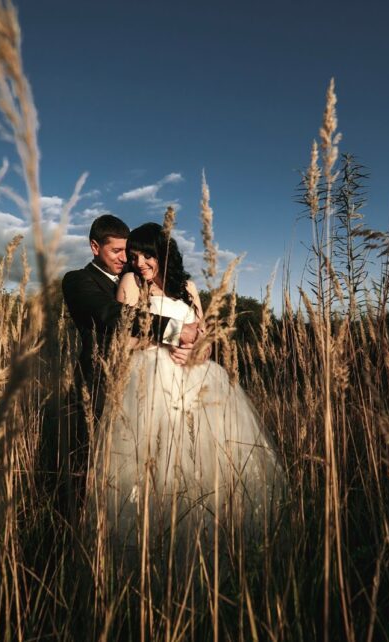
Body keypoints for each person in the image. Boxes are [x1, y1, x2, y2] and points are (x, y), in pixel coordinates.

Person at [89, 222, 284, 549]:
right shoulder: (131, 283)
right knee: (154, 457)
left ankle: (207, 531)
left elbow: (205, 335)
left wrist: (198, 348)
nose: (139, 263)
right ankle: (155, 536)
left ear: (162, 254)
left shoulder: (188, 287)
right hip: (149, 381)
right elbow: (122, 339)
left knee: (202, 456)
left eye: (146, 255)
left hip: (197, 378)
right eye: (133, 256)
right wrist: (168, 343)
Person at [60, 215, 196, 513]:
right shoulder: (77, 281)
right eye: (116, 252)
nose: (125, 259)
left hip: (147, 392)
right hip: (97, 391)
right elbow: (111, 314)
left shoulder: (142, 279)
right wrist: (175, 331)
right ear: (95, 247)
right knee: (92, 476)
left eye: (128, 252)